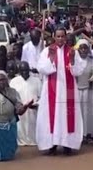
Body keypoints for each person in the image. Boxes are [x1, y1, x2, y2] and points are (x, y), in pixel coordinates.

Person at [35, 28, 87, 156]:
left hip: (68, 90)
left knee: (66, 115)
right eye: (57, 36)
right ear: (54, 36)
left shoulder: (72, 51)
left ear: (65, 37)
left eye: (62, 36)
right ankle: (52, 144)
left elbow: (78, 71)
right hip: (51, 89)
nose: (60, 39)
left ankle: (67, 144)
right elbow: (40, 68)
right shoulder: (47, 51)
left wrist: (73, 60)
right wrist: (51, 60)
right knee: (51, 116)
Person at [0, 70, 32, 162]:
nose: (1, 82)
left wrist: (25, 107)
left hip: (9, 124)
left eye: (3, 80)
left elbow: (19, 111)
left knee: (8, 156)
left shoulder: (13, 92)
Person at [9, 61, 41, 146]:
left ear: (29, 70)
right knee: (20, 127)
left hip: (33, 110)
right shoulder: (14, 81)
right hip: (20, 110)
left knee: (32, 127)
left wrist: (37, 104)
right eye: (22, 70)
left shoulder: (36, 80)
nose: (24, 72)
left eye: (26, 70)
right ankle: (21, 141)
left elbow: (41, 96)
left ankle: (33, 141)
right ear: (19, 71)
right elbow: (11, 97)